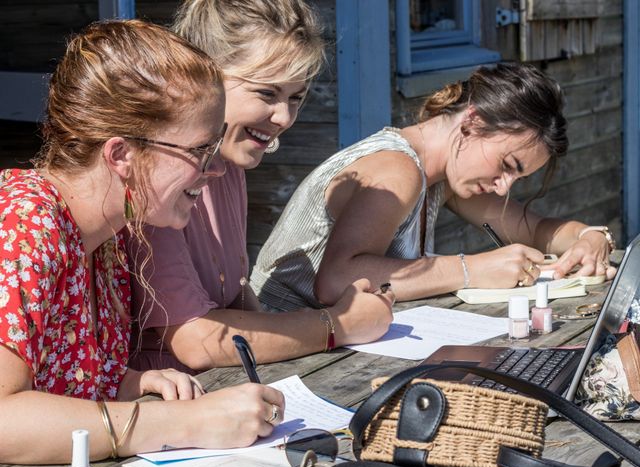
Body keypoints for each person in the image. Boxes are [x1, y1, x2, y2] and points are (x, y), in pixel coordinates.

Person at [0, 20, 285, 464]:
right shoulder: (24, 224)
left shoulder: (107, 235)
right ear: (121, 155)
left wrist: (131, 382)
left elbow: (57, 375)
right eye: (198, 150)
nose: (212, 170)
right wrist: (189, 424)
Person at [127, 0, 394, 373]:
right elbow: (196, 341)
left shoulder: (230, 163)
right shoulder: (160, 175)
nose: (284, 117)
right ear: (204, 76)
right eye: (267, 93)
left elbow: (234, 295)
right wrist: (338, 325)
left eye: (296, 97)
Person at [250, 63, 618, 311]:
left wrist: (590, 238)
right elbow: (335, 283)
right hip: (280, 355)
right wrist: (471, 269)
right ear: (473, 123)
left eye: (516, 179)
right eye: (507, 166)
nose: (503, 188)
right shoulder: (398, 169)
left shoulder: (443, 178)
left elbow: (535, 229)